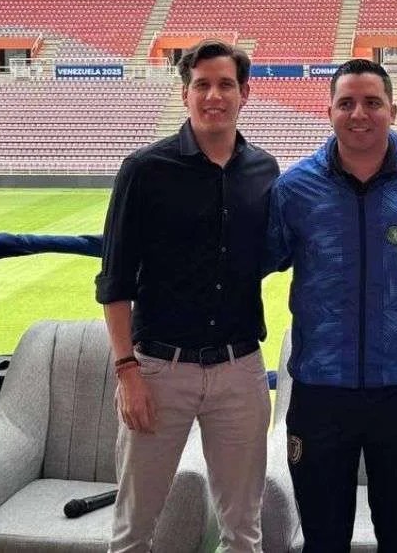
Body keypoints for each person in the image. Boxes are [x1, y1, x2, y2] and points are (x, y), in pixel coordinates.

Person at [264, 58, 397, 552]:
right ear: (328, 110)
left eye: (372, 102)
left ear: (393, 110)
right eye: (347, 102)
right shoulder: (295, 189)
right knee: (323, 537)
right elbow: (257, 261)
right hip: (318, 390)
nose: (360, 113)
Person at [95, 39, 279, 553]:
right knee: (133, 532)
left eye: (224, 84)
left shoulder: (265, 171)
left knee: (244, 532)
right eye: (201, 84)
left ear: (245, 92)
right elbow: (114, 281)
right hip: (158, 370)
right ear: (185, 94)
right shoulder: (144, 170)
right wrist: (127, 370)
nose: (213, 95)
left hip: (240, 370)